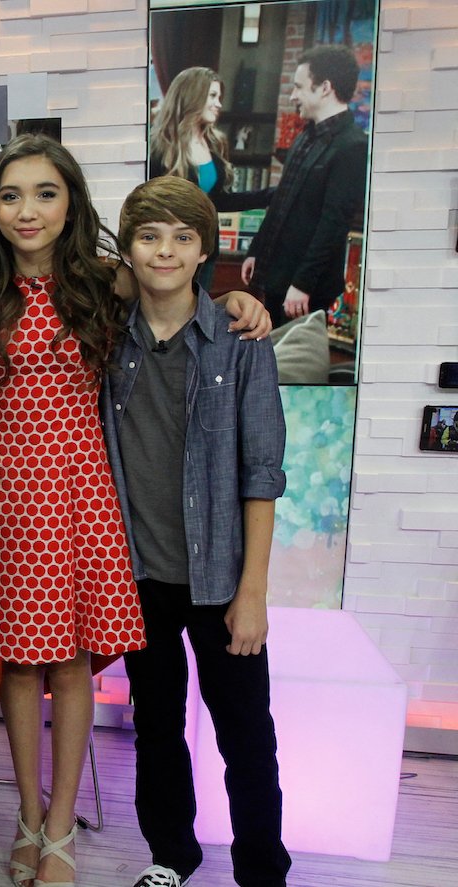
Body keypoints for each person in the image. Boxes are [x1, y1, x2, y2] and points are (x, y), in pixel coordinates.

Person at [0, 134, 146, 887]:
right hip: (6, 492)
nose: (28, 210)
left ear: (71, 202)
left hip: (77, 488)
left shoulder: (106, 282)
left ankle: (63, 824)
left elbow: (182, 293)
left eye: (46, 193)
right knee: (17, 663)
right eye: (11, 195)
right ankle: (28, 814)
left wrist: (237, 299)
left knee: (71, 662)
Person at [107, 176, 290, 887]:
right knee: (156, 729)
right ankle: (172, 855)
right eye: (150, 236)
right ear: (129, 248)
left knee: (247, 736)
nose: (166, 251)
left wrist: (254, 591)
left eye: (183, 238)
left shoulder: (241, 342)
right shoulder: (107, 337)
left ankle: (262, 870)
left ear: (205, 249)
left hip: (220, 579)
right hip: (140, 578)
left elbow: (261, 473)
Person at [240, 44, 367, 328]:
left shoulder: (353, 146)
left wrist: (303, 284)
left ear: (325, 88)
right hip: (277, 275)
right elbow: (282, 202)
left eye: (299, 87)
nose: (293, 95)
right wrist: (256, 250)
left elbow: (333, 224)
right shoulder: (305, 136)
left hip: (303, 287)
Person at [148, 66, 265, 289]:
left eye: (219, 97)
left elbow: (219, 200)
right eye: (212, 96)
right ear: (192, 96)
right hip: (171, 252)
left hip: (206, 251)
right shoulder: (159, 147)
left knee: (199, 308)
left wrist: (271, 196)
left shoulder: (213, 143)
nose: (218, 104)